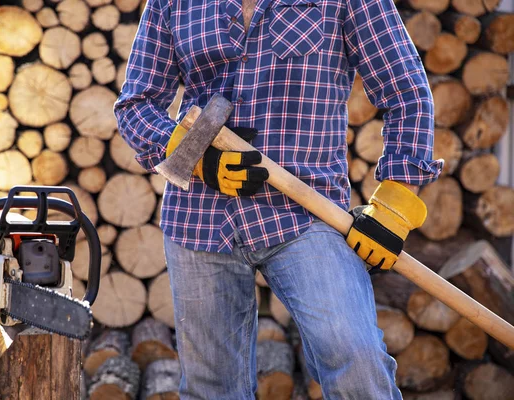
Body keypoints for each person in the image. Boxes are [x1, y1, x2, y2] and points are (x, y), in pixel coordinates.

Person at [114, 0, 443, 398]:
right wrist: (197, 158)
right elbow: (136, 105)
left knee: (356, 356)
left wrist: (396, 200)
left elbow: (406, 91)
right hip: (199, 220)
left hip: (306, 217)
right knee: (212, 389)